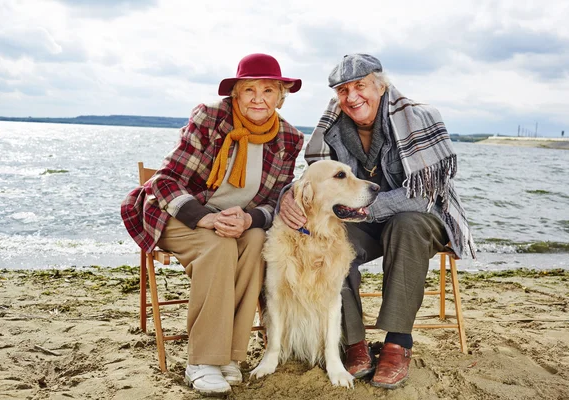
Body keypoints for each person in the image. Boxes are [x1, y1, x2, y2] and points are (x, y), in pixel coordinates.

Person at [279, 54, 475, 389]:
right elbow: (315, 179)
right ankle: (353, 343)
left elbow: (427, 192)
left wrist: (368, 209)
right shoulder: (332, 130)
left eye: (360, 86)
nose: (352, 96)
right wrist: (288, 193)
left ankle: (398, 344)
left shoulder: (421, 117)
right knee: (326, 240)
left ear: (380, 86)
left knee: (407, 225)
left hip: (422, 218)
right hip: (361, 221)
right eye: (343, 90)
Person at [121, 53, 303, 396]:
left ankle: (229, 358)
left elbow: (276, 200)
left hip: (237, 222)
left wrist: (249, 218)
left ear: (281, 96)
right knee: (220, 245)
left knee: (254, 243)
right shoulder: (210, 118)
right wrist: (205, 217)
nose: (258, 98)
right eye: (249, 89)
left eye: (268, 90)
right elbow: (165, 182)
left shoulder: (289, 139)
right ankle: (202, 360)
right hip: (180, 213)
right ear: (235, 94)